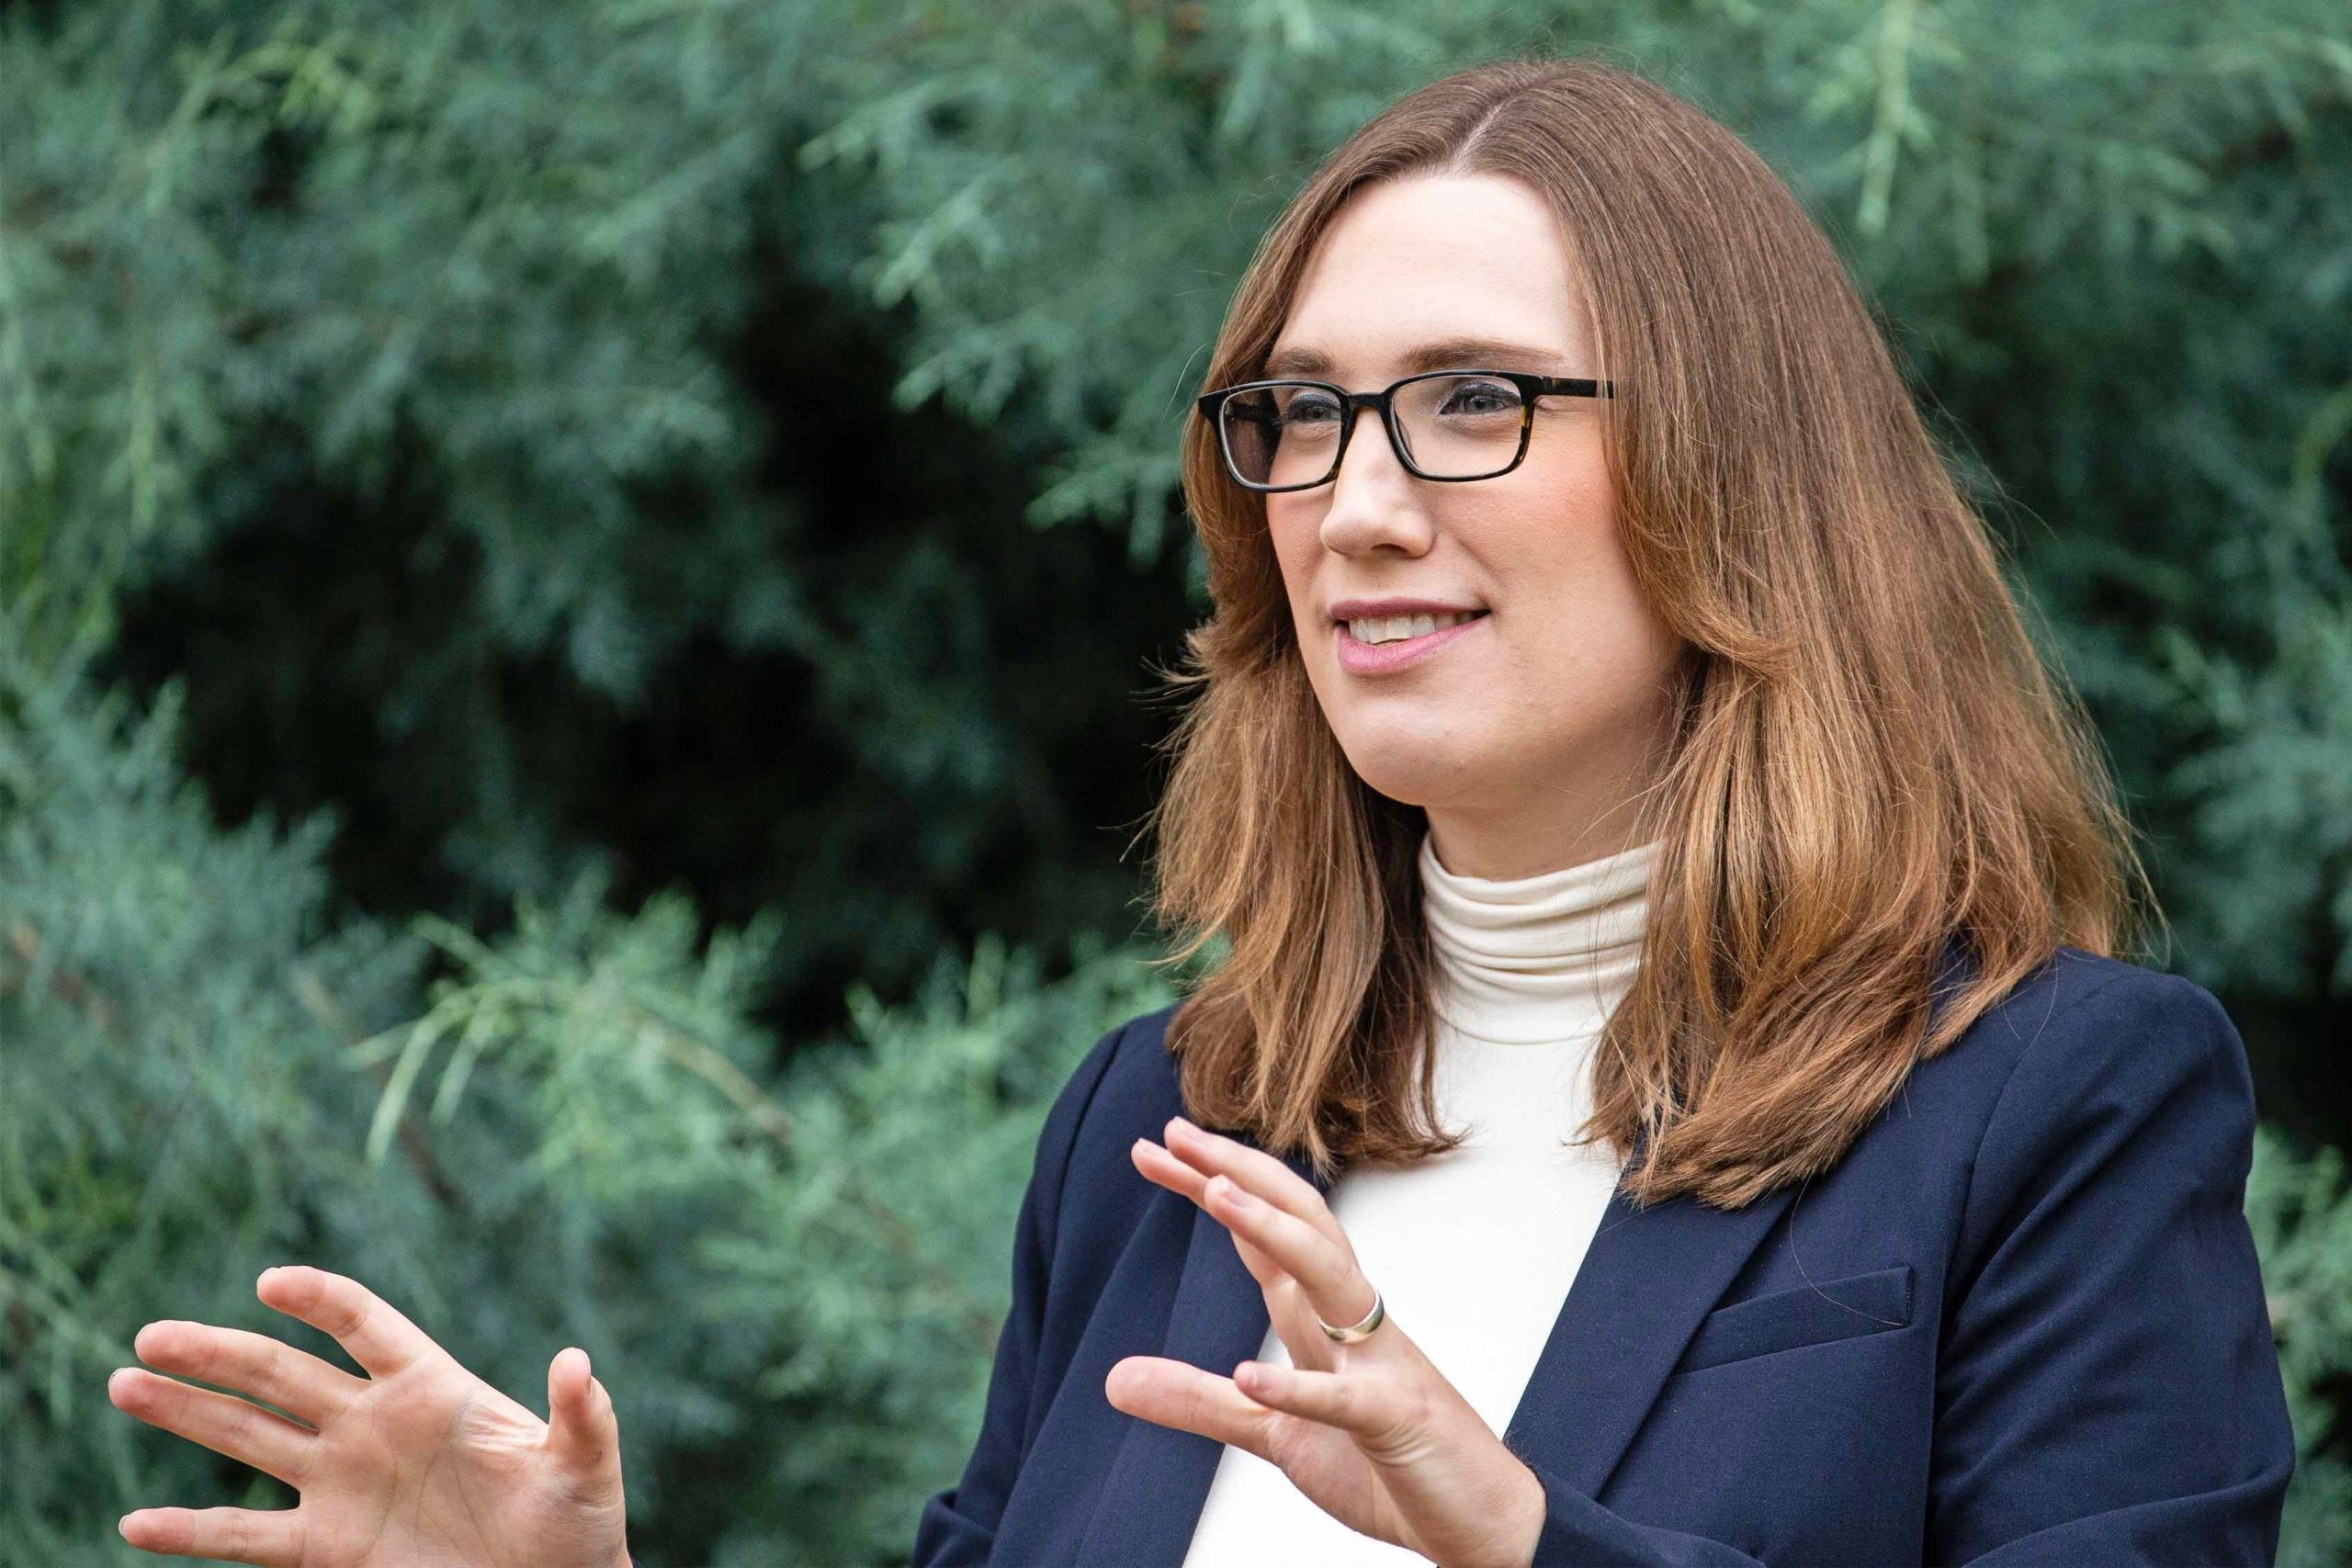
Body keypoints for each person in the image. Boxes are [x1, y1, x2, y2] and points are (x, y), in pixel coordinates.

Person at [105, 53, 2295, 1568]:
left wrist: (1514, 1530)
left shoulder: (2047, 1103)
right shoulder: (1171, 1122)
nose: (1349, 503)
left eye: (1468, 402)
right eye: (1300, 414)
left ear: (1744, 476)